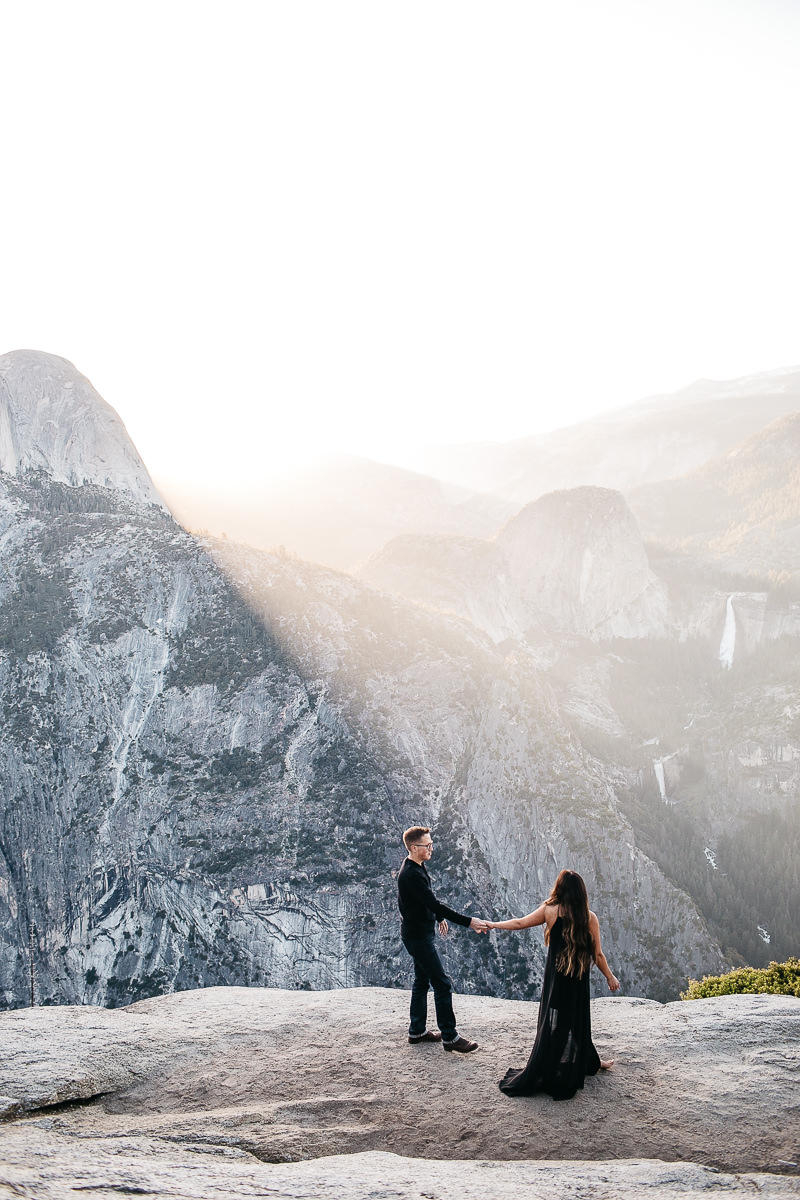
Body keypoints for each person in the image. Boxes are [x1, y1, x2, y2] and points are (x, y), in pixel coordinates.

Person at [487, 868, 620, 1100]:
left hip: (556, 980)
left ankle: (587, 1061)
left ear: (560, 889)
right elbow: (598, 955)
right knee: (575, 1021)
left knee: (559, 1022)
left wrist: (493, 924)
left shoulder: (550, 911)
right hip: (577, 981)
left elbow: (519, 923)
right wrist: (610, 976)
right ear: (581, 893)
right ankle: (571, 1066)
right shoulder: (589, 918)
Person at [397, 825, 489, 1053]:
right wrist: (469, 921)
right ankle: (450, 1037)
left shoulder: (416, 866)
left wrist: (438, 918)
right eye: (427, 846)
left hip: (418, 934)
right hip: (418, 938)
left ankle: (417, 1031)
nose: (431, 849)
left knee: (421, 980)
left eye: (431, 844)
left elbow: (427, 901)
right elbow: (433, 902)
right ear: (414, 847)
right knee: (442, 983)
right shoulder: (411, 874)